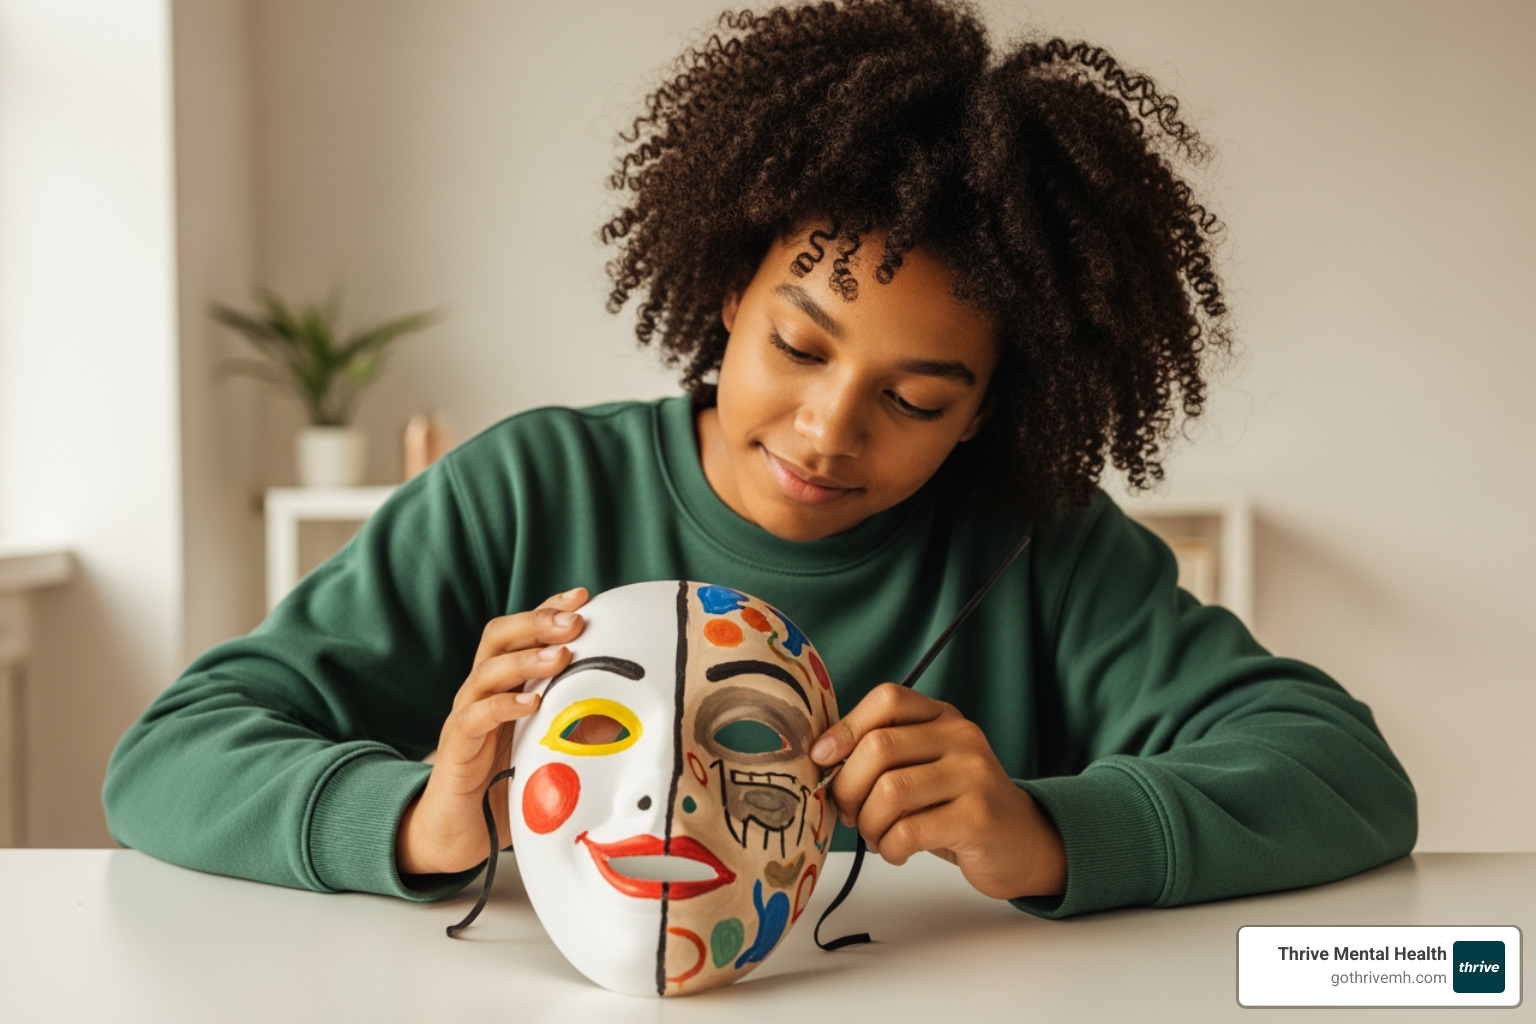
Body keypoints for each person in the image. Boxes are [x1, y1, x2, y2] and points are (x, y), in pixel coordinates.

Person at [103, 0, 1414, 919]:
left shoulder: (1041, 542)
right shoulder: (521, 494)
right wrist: (421, 819)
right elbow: (167, 759)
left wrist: (1050, 830)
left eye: (917, 395)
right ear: (728, 289)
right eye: (800, 345)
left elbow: (1346, 775)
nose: (829, 430)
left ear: (993, 409)